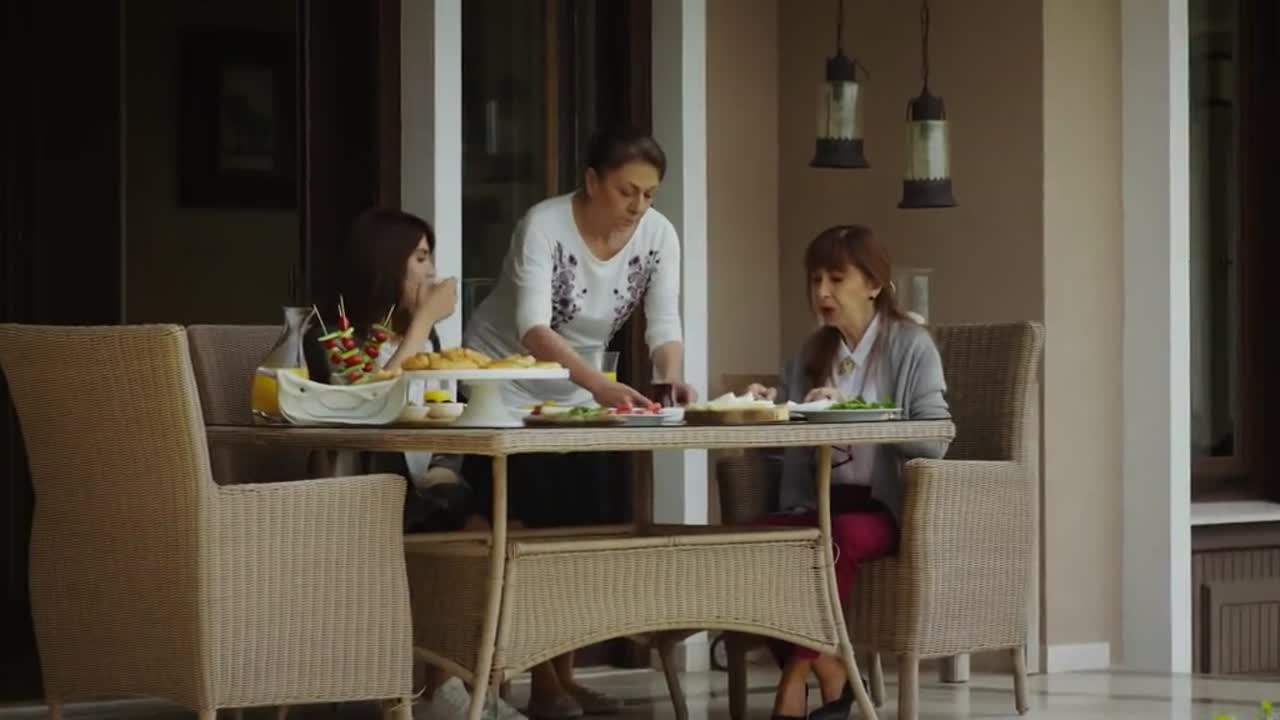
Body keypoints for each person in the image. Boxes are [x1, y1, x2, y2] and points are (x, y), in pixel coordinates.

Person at [460, 125, 696, 720]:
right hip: (503, 382)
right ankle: (543, 680)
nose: (638, 206)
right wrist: (600, 385)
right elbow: (532, 328)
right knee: (530, 526)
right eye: (626, 191)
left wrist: (669, 377)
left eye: (649, 194)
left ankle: (561, 678)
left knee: (578, 527)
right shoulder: (543, 225)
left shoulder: (659, 235)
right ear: (592, 181)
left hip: (582, 389)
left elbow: (664, 325)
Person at [303, 208, 523, 720]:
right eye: (420, 257)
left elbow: (440, 414)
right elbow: (368, 406)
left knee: (506, 518)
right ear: (387, 262)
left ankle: (453, 682)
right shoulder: (332, 335)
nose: (432, 271)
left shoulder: (424, 341)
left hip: (422, 490)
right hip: (361, 497)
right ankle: (442, 687)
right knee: (472, 527)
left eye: (431, 257)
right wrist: (423, 323)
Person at [745, 225, 951, 720]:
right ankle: (831, 665)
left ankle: (795, 676)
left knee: (830, 540)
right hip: (816, 501)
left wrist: (859, 412)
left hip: (881, 509)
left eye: (836, 279)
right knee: (752, 545)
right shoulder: (811, 353)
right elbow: (789, 447)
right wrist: (768, 410)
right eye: (815, 280)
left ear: (873, 284)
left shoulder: (911, 346)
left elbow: (936, 437)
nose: (822, 292)